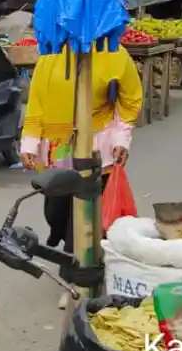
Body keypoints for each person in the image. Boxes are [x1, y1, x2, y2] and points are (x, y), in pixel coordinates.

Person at [19, 47, 143, 309]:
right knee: (57, 212)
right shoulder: (50, 56)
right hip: (58, 150)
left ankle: (77, 280)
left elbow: (128, 102)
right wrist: (29, 142)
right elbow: (37, 102)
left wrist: (122, 139)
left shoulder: (114, 54)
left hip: (98, 150)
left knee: (82, 219)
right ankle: (72, 251)